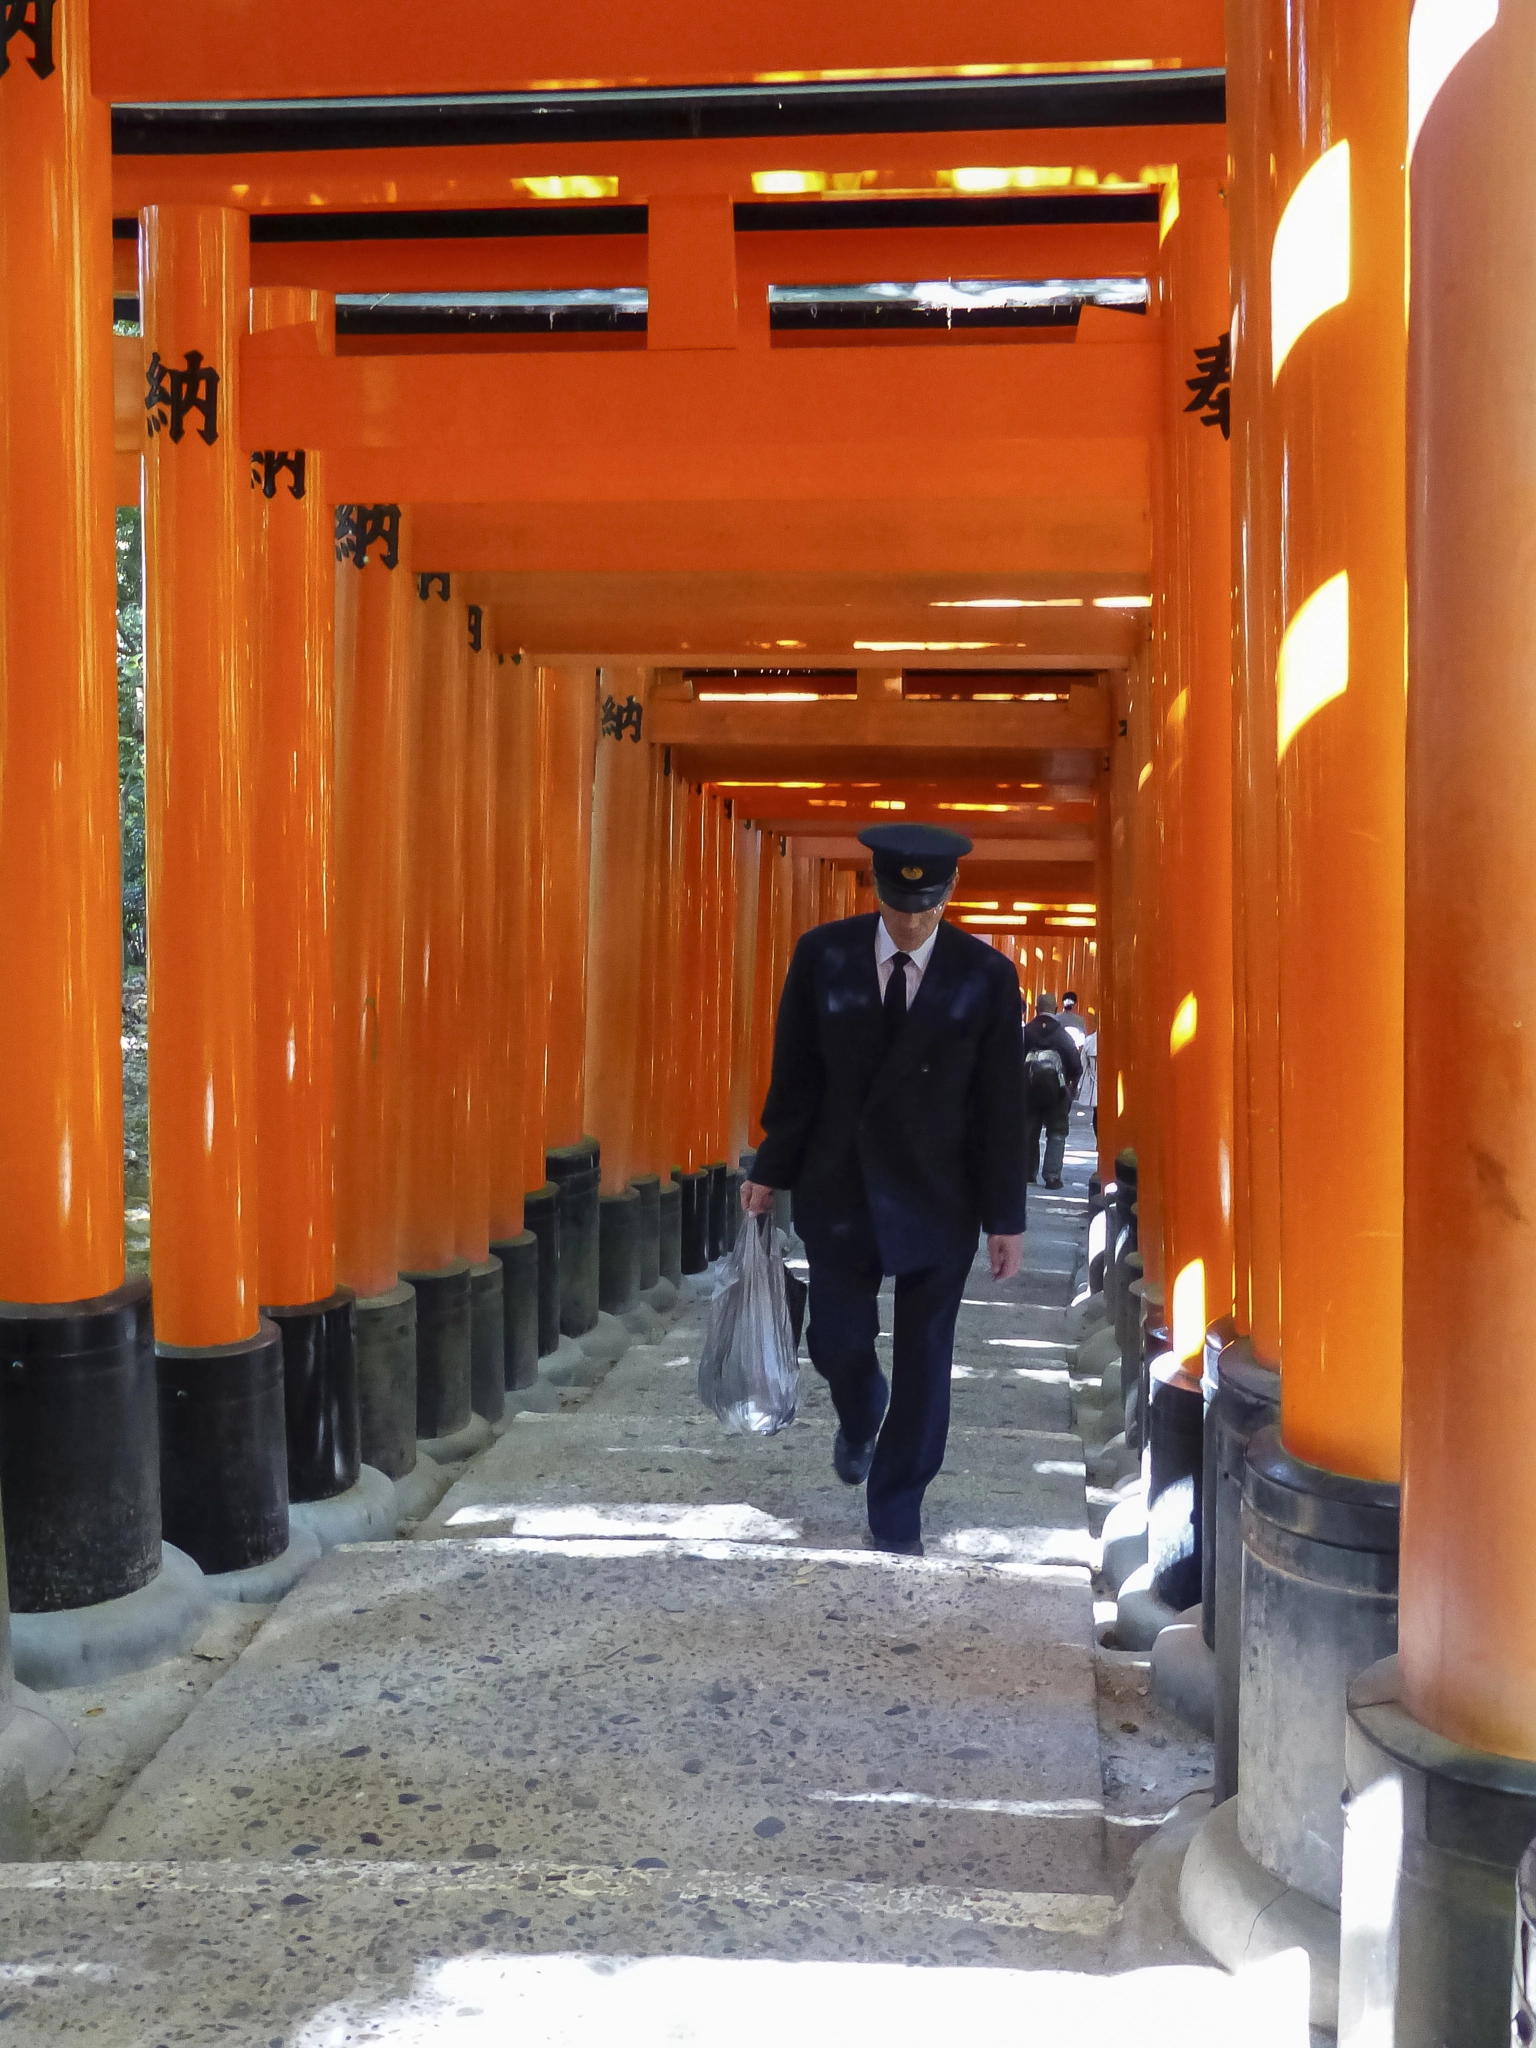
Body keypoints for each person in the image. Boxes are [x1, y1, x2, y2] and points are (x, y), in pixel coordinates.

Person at [740, 823, 1027, 1557]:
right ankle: (860, 1405)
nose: (910, 920)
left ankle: (898, 1506)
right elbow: (795, 1076)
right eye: (899, 905)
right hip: (842, 1184)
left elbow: (1001, 1103)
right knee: (835, 1338)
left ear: (949, 895)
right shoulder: (822, 956)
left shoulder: (986, 976)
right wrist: (770, 1167)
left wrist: (1006, 1216)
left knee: (927, 1358)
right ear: (876, 891)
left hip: (942, 1193)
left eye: (924, 906)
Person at [1024, 991, 1082, 1190]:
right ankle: (1052, 1176)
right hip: (1057, 1092)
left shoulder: (1027, 1032)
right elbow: (1075, 1064)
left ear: (1036, 1009)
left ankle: (1027, 1172)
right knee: (1056, 1133)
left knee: (1029, 1132)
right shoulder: (1061, 1034)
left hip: (1028, 1091)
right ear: (1055, 1010)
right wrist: (1071, 1089)